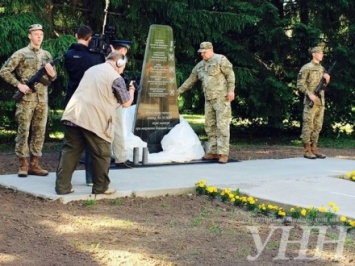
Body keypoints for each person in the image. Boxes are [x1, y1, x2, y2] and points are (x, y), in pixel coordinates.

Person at [55, 51, 135, 195]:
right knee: (102, 153)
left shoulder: (91, 69)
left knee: (70, 152)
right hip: (94, 119)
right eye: (123, 65)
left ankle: (62, 187)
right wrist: (132, 90)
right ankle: (101, 187)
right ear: (119, 63)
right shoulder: (115, 77)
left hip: (73, 114)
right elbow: (126, 103)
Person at [0, 24, 57, 177]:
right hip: (26, 99)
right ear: (29, 36)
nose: (39, 36)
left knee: (40, 131)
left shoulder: (47, 55)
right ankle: (23, 164)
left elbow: (54, 77)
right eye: (36, 34)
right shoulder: (21, 53)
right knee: (23, 131)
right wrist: (18, 85)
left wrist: (52, 74)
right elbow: (4, 71)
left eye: (41, 34)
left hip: (42, 99)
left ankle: (35, 164)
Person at [177, 42, 235, 164]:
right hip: (209, 99)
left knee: (222, 125)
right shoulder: (200, 66)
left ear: (211, 50)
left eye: (204, 52)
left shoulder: (220, 60)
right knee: (209, 125)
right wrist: (178, 91)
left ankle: (223, 153)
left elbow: (230, 75)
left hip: (221, 98)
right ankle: (213, 151)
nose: (202, 54)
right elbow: (190, 80)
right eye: (201, 52)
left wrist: (231, 91)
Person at [63, 25, 104, 186]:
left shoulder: (68, 55)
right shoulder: (96, 57)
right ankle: (90, 178)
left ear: (75, 35)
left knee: (69, 143)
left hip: (72, 102)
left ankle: (64, 178)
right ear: (90, 38)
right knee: (91, 141)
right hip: (90, 103)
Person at [297, 45, 330, 159]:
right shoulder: (306, 67)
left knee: (317, 126)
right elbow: (300, 84)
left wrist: (327, 80)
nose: (322, 55)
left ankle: (314, 149)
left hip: (320, 102)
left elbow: (323, 87)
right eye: (320, 53)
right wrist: (309, 94)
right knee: (308, 125)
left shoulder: (322, 69)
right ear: (314, 54)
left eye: (322, 53)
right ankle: (307, 150)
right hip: (310, 102)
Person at [110, 40, 135, 168]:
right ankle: (120, 158)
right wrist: (131, 90)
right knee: (117, 129)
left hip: (111, 102)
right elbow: (126, 103)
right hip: (114, 103)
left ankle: (118, 157)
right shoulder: (113, 68)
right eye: (124, 51)